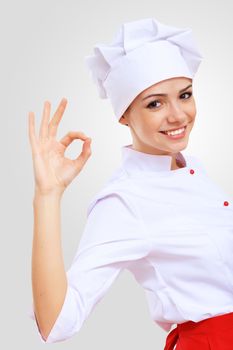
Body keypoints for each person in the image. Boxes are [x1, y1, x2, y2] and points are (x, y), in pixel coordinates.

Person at [28, 18, 233, 348]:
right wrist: (47, 195)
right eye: (155, 103)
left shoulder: (191, 169)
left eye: (185, 95)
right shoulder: (125, 201)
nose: (178, 115)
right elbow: (56, 323)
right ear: (124, 114)